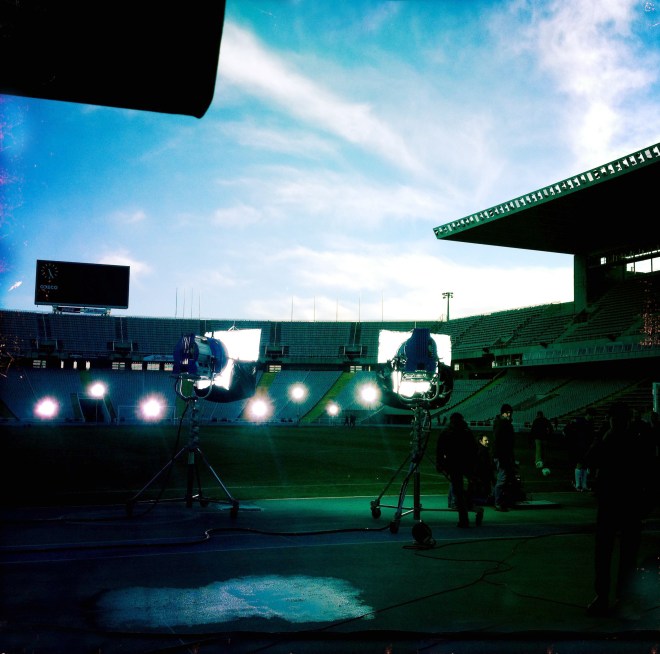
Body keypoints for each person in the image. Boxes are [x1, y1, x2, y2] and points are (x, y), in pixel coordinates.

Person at [585, 401, 657, 618]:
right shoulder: (637, 440)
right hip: (629, 504)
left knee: (605, 553)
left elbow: (589, 460)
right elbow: (651, 474)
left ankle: (604, 596)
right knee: (626, 554)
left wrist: (603, 439)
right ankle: (621, 597)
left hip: (613, 503)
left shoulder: (613, 439)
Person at [436, 412, 484, 528]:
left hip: (454, 465)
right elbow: (474, 450)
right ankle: (471, 508)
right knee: (466, 490)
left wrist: (440, 464)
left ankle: (464, 518)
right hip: (466, 465)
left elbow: (440, 450)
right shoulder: (466, 432)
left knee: (458, 492)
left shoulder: (447, 432)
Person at [563, 407, 597, 492]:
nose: (593, 417)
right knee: (579, 464)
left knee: (585, 466)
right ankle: (578, 484)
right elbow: (566, 429)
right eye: (592, 415)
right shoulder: (579, 421)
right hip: (579, 447)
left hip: (587, 447)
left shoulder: (590, 423)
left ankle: (584, 485)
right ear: (588, 414)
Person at [491, 403, 516, 511]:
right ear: (503, 413)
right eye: (508, 413)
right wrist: (502, 456)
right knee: (502, 478)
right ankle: (498, 502)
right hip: (502, 455)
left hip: (502, 455)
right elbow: (500, 442)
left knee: (503, 478)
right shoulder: (502, 424)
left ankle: (497, 500)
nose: (509, 414)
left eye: (510, 413)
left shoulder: (501, 423)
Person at [468, 433, 496, 506]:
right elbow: (485, 465)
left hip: (479, 475)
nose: (488, 442)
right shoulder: (483, 451)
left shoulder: (478, 450)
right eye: (485, 440)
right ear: (480, 441)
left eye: (487, 440)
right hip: (482, 475)